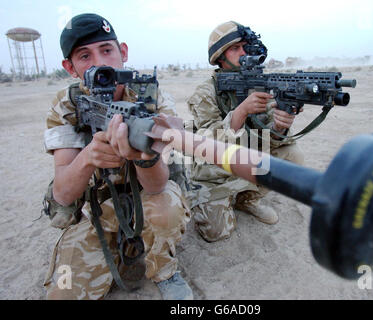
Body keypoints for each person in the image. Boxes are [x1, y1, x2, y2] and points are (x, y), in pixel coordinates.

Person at [42, 13, 193, 300]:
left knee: (166, 208)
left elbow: (157, 185)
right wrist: (88, 157)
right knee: (61, 295)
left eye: (107, 50)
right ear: (69, 67)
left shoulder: (150, 95)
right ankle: (123, 248)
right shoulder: (67, 103)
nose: (100, 62)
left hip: (149, 198)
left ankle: (163, 268)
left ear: (123, 52)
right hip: (97, 208)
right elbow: (62, 194)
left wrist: (143, 157)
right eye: (84, 56)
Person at [186, 21, 305, 242]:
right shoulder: (206, 91)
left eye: (246, 46)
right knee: (216, 233)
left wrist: (280, 125)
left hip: (247, 157)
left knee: (292, 155)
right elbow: (203, 143)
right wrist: (240, 112)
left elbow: (270, 139)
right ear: (220, 57)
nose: (244, 52)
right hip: (216, 171)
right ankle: (221, 197)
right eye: (235, 48)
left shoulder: (258, 83)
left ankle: (246, 199)